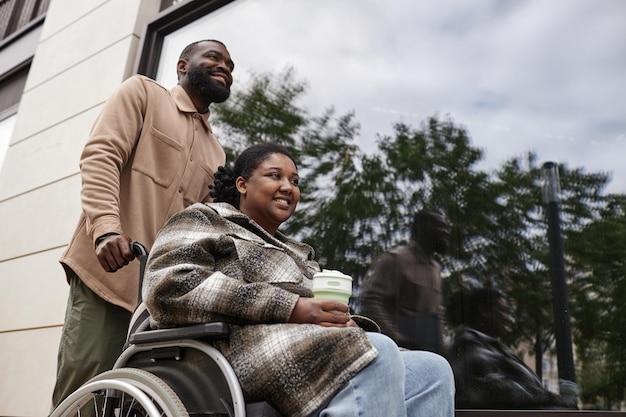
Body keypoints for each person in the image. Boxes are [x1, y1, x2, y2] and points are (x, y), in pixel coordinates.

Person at [143, 143, 455, 417]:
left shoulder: (298, 252)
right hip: (231, 350)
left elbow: (320, 314)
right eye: (274, 176)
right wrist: (293, 308)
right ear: (242, 184)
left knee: (433, 370)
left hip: (307, 347)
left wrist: (343, 321)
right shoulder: (204, 219)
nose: (288, 187)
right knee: (379, 350)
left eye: (294, 181)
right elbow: (170, 288)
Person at [52, 39, 234, 407]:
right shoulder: (143, 94)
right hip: (108, 276)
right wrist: (105, 228)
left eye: (231, 66)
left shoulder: (217, 152)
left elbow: (199, 228)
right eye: (215, 58)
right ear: (183, 66)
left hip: (157, 302)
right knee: (84, 394)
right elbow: (100, 157)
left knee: (138, 403)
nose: (226, 68)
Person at [445, 287, 578, 409]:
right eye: (503, 311)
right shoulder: (467, 346)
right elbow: (497, 390)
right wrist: (551, 398)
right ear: (484, 311)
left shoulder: (489, 346)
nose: (508, 319)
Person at [358, 209, 450, 353]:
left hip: (428, 352)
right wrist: (395, 337)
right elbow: (371, 300)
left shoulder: (436, 268)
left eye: (445, 226)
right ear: (420, 229)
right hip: (397, 351)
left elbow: (437, 313)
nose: (445, 232)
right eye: (439, 225)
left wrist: (441, 346)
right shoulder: (396, 260)